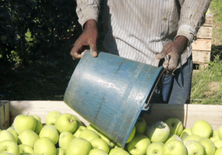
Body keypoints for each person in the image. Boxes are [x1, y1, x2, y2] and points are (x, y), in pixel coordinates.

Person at [70, 0, 211, 104]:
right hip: (122, 61)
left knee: (174, 134)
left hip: (174, 58)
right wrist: (89, 24)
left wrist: (182, 40)